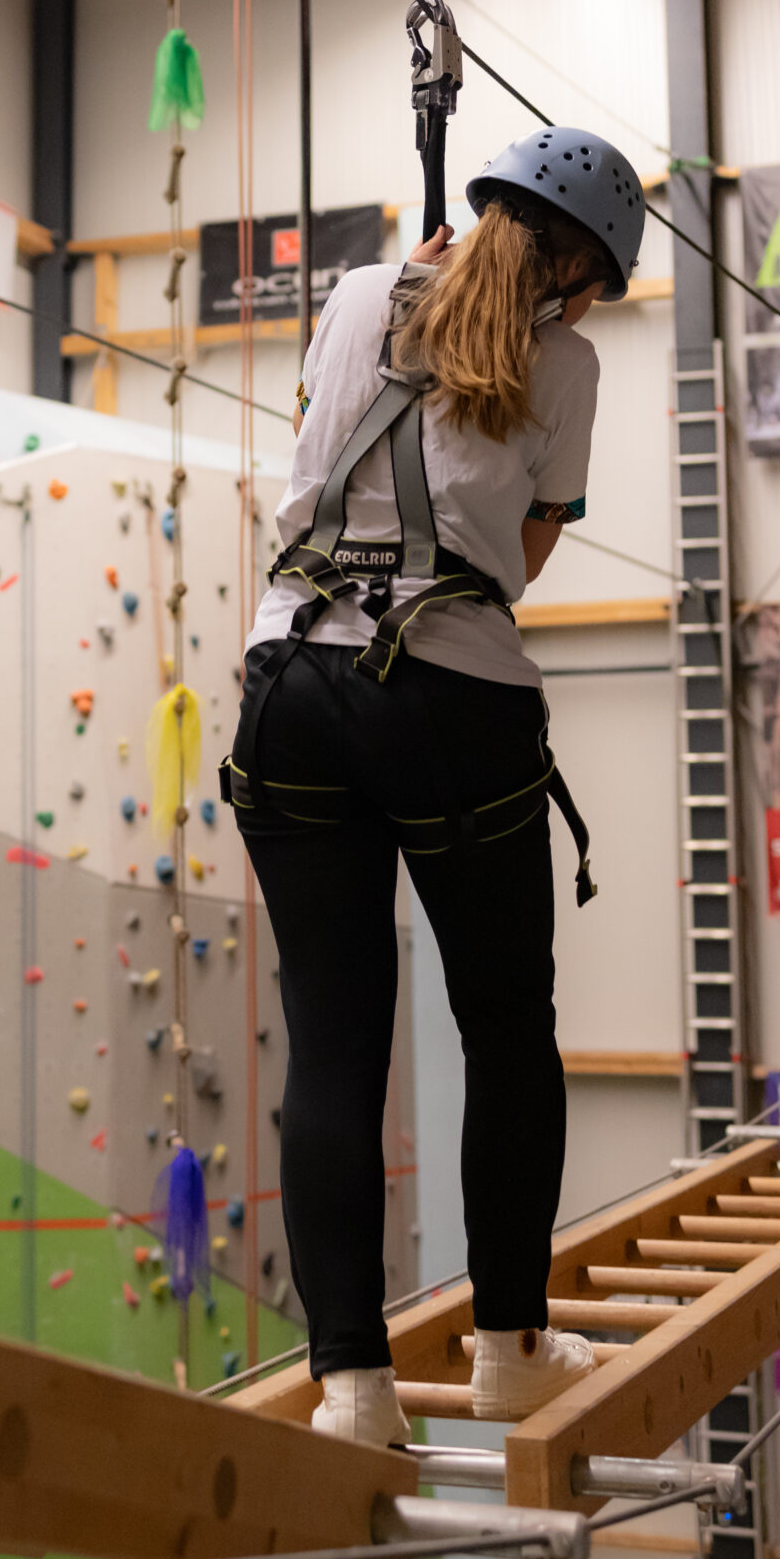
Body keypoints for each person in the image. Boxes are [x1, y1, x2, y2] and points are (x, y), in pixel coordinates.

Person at [225, 128, 645, 1446]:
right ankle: (509, 1346)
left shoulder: (354, 296)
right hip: (446, 703)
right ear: (575, 269)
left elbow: (322, 458)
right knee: (504, 1024)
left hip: (287, 682)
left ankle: (349, 1388)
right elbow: (518, 561)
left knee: (336, 1041)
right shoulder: (563, 362)